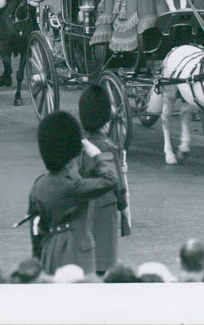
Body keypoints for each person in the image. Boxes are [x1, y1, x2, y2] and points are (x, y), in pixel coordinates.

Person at [27, 111, 119, 276]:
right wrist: (97, 155)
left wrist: (38, 257)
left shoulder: (38, 185)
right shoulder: (73, 185)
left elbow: (35, 231)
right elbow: (111, 179)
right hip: (77, 251)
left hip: (49, 250)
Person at [78, 85, 129, 276]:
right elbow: (117, 182)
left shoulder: (81, 145)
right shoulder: (108, 147)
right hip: (106, 207)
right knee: (104, 263)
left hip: (83, 205)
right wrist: (123, 206)